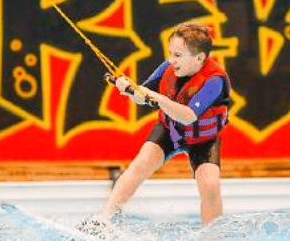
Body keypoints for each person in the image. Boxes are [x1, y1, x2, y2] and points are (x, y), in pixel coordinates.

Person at [93, 22, 231, 229]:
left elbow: (189, 116)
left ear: (200, 58)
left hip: (203, 140)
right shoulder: (167, 69)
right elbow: (143, 95)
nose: (170, 60)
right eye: (170, 53)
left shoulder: (215, 81)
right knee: (140, 165)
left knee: (210, 186)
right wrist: (129, 89)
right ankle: (103, 222)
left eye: (177, 56)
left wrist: (158, 99)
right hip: (170, 131)